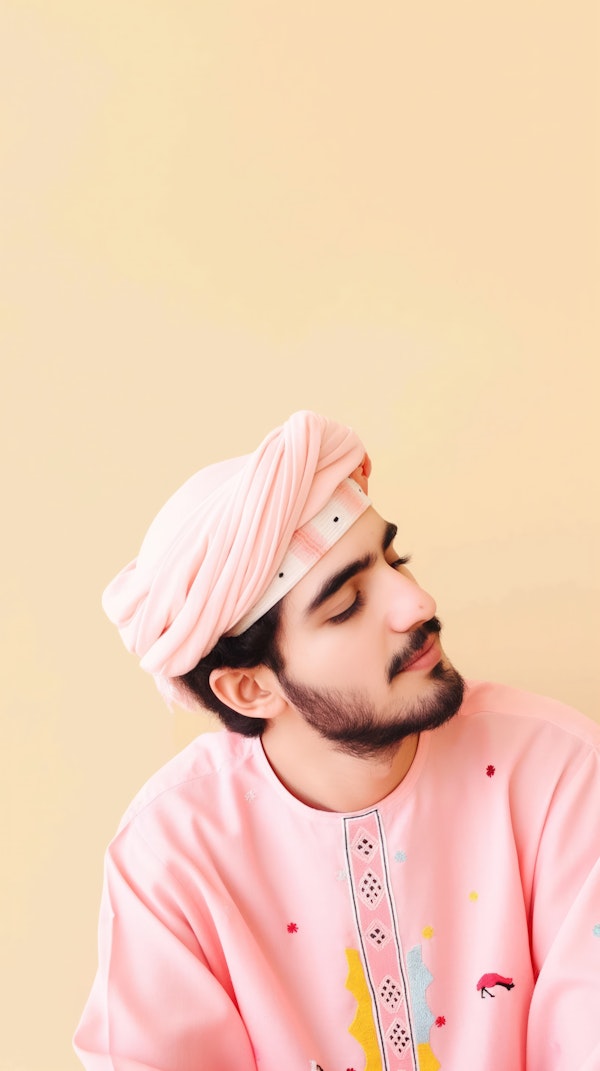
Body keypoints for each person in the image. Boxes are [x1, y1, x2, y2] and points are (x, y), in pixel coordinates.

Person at [74, 410, 600, 1071]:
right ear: (251, 689)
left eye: (394, 559)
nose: (415, 601)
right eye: (347, 603)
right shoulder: (173, 852)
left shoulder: (558, 776)